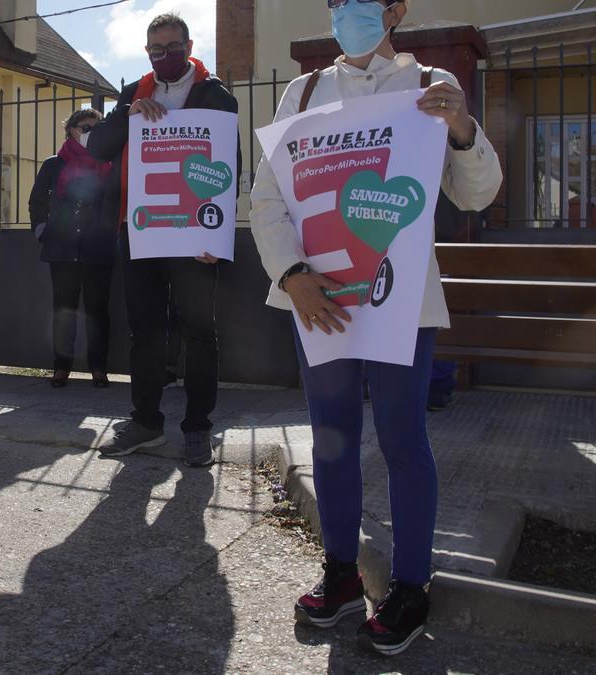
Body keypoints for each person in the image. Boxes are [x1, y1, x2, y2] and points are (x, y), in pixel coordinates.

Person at [249, 0, 502, 656]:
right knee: (331, 437)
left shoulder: (427, 90)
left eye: (361, 0)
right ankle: (339, 574)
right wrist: (291, 274)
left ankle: (412, 587)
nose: (346, 10)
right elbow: (266, 196)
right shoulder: (302, 91)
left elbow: (477, 194)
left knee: (402, 438)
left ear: (395, 10)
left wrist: (465, 129)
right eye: (337, 1)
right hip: (320, 296)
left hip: (399, 301)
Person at [87, 13, 240, 467]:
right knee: (145, 332)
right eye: (156, 51)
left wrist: (218, 232)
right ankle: (147, 423)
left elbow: (226, 167)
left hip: (195, 234)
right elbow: (98, 148)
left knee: (199, 332)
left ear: (189, 46)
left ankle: (198, 428)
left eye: (173, 49)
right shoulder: (135, 92)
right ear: (148, 52)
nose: (164, 58)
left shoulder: (215, 95)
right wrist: (127, 113)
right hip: (140, 230)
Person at [28, 108, 116, 389]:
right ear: (71, 130)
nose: (91, 132)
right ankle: (61, 367)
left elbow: (118, 200)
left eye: (96, 127)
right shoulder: (54, 164)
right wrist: (41, 229)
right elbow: (37, 200)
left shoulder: (111, 163)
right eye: (85, 127)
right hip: (62, 247)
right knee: (63, 310)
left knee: (98, 311)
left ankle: (99, 368)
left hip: (98, 246)